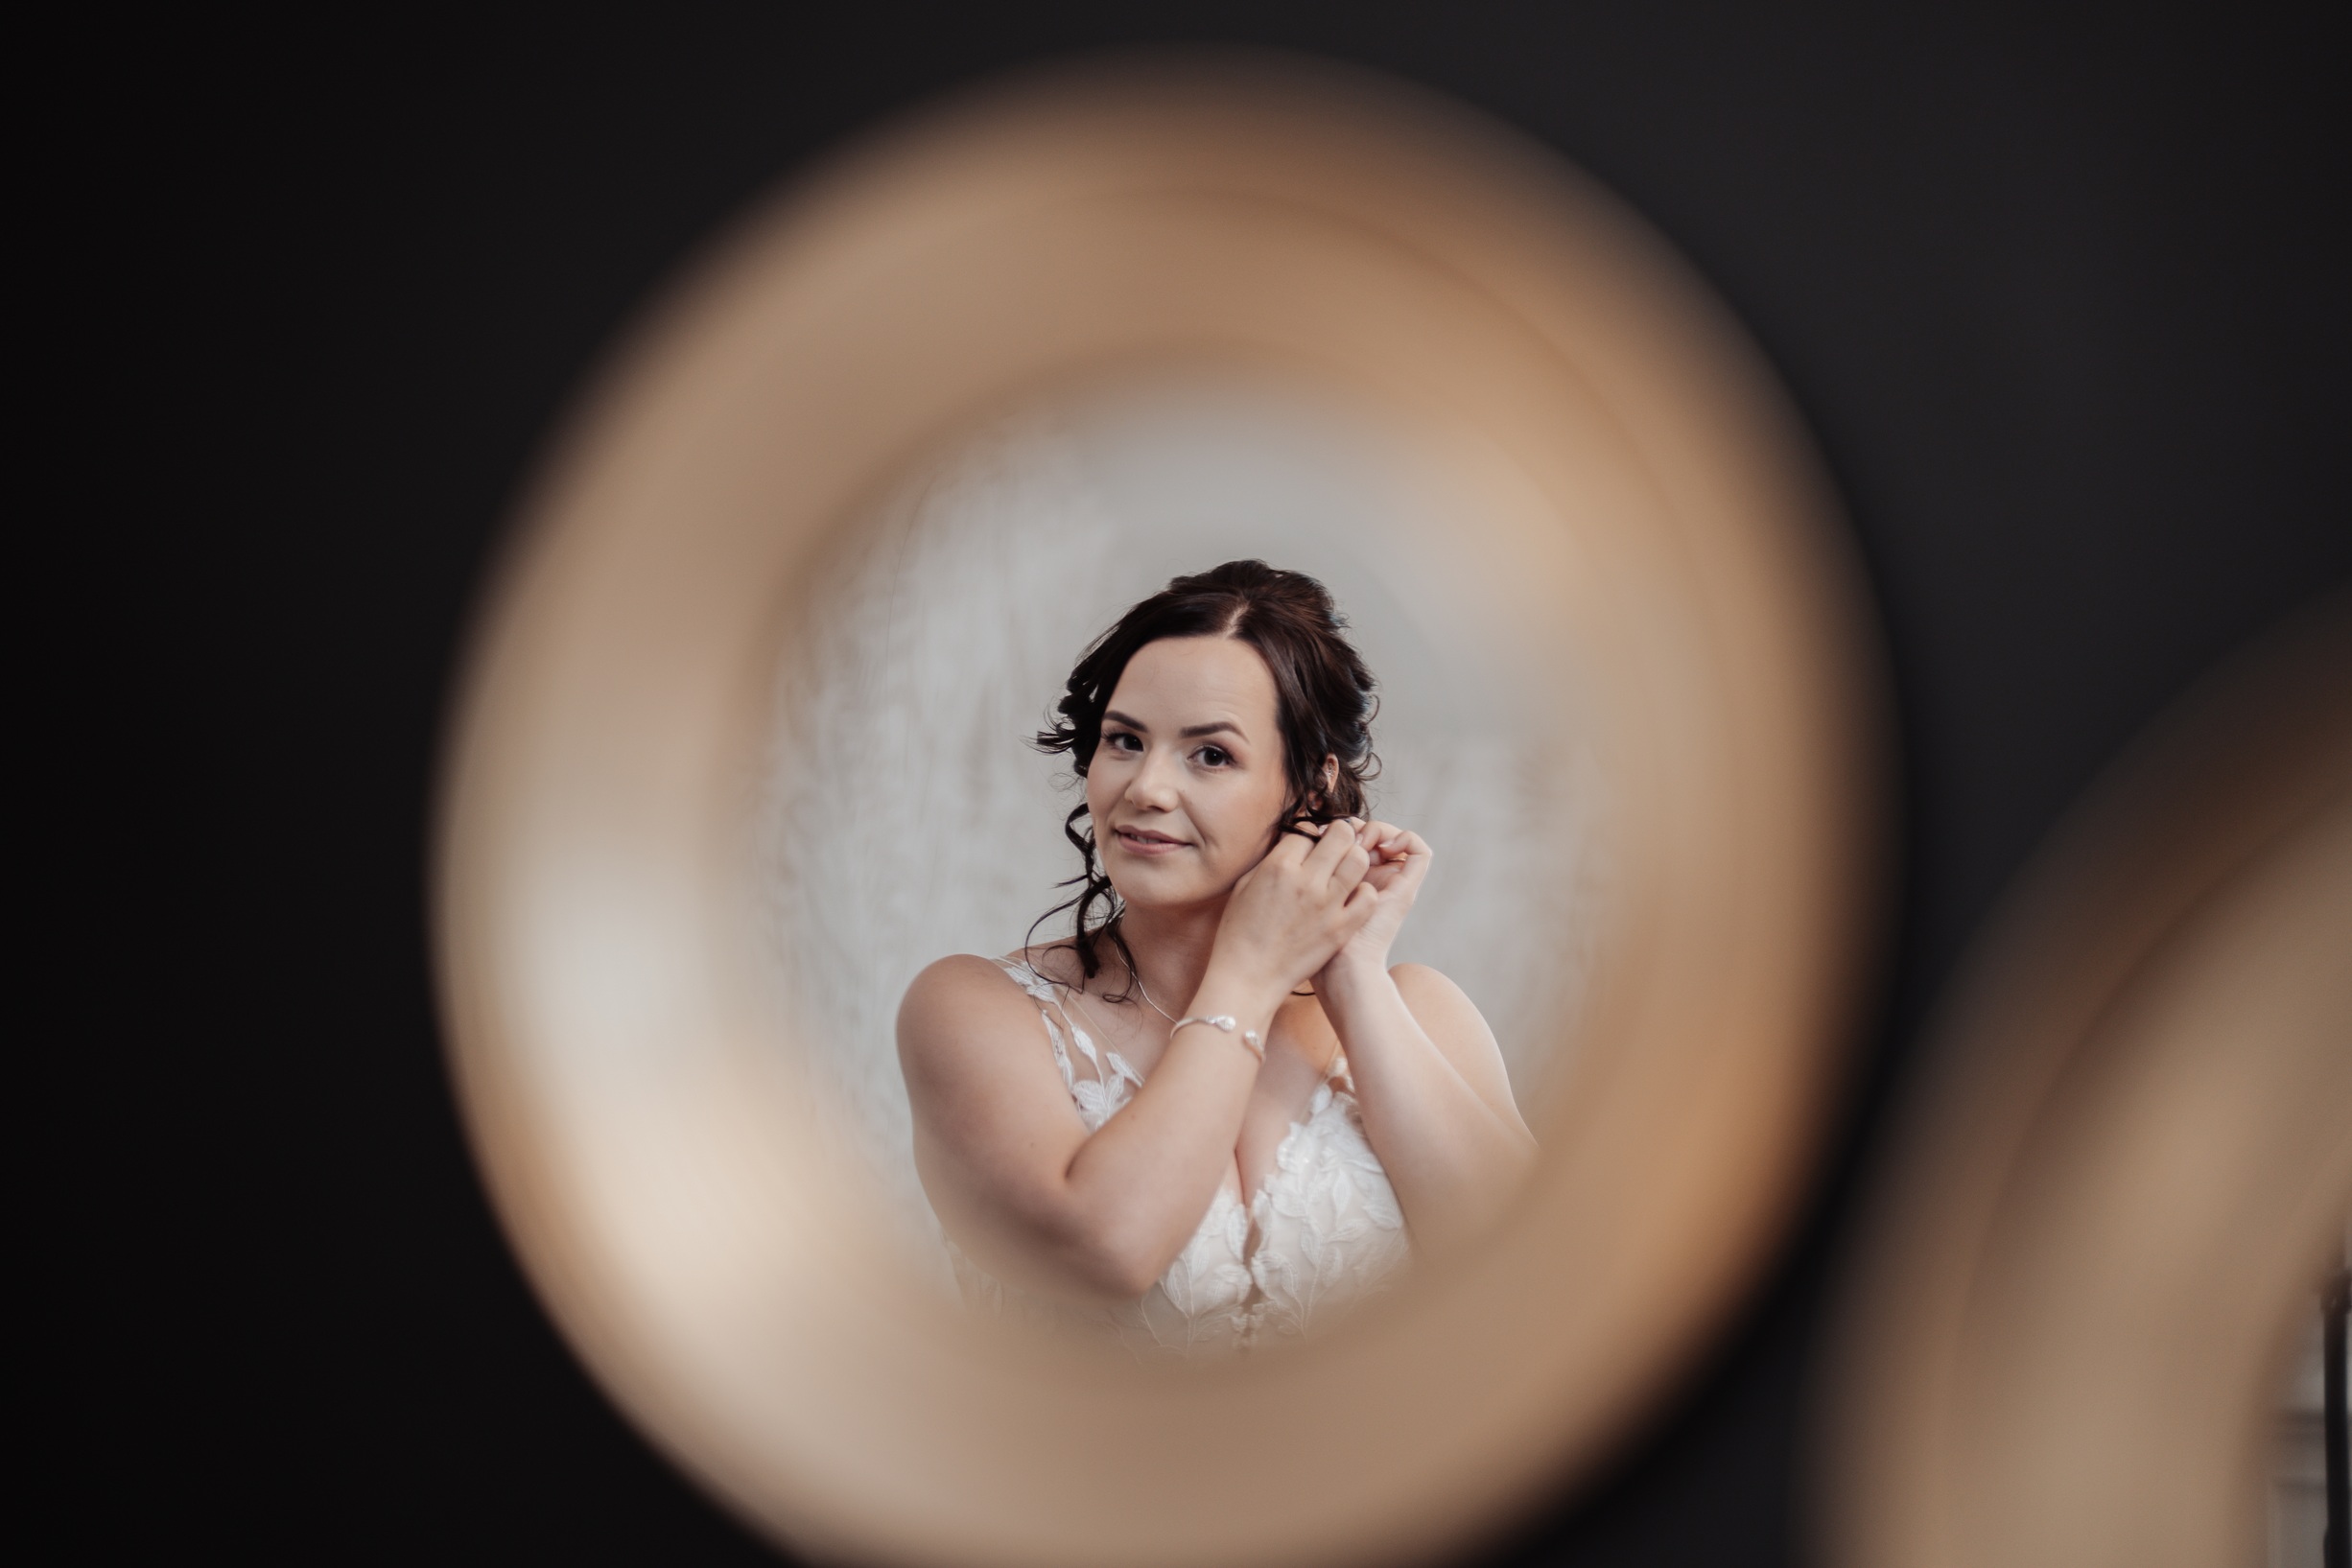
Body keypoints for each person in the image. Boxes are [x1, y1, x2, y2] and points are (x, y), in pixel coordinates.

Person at [898, 560, 1536, 1356]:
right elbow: (1110, 1249)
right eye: (1125, 740)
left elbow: (1534, 1282)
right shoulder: (975, 1009)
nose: (1147, 788)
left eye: (1210, 755)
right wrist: (1248, 971)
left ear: (1309, 787)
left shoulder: (1421, 1011)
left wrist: (1354, 975)